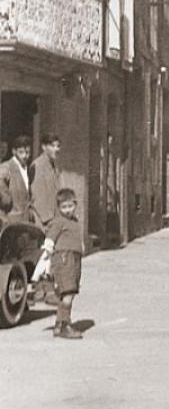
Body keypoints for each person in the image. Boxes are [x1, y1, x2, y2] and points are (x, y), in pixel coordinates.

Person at [36, 188, 84, 339]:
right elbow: (50, 239)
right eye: (64, 207)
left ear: (75, 204)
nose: (68, 210)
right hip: (64, 258)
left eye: (70, 206)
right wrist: (47, 256)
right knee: (68, 291)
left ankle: (58, 324)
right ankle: (65, 325)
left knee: (71, 291)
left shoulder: (74, 221)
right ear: (59, 207)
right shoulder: (57, 221)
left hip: (74, 258)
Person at [30, 133, 61, 228]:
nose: (56, 149)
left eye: (58, 146)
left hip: (54, 218)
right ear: (43, 147)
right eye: (52, 146)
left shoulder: (54, 167)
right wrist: (48, 220)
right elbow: (37, 196)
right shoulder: (37, 165)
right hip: (42, 220)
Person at [0, 135, 33, 224]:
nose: (25, 156)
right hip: (11, 220)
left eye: (27, 152)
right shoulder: (6, 167)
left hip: (25, 220)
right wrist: (6, 201)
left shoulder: (27, 169)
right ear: (14, 151)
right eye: (21, 152)